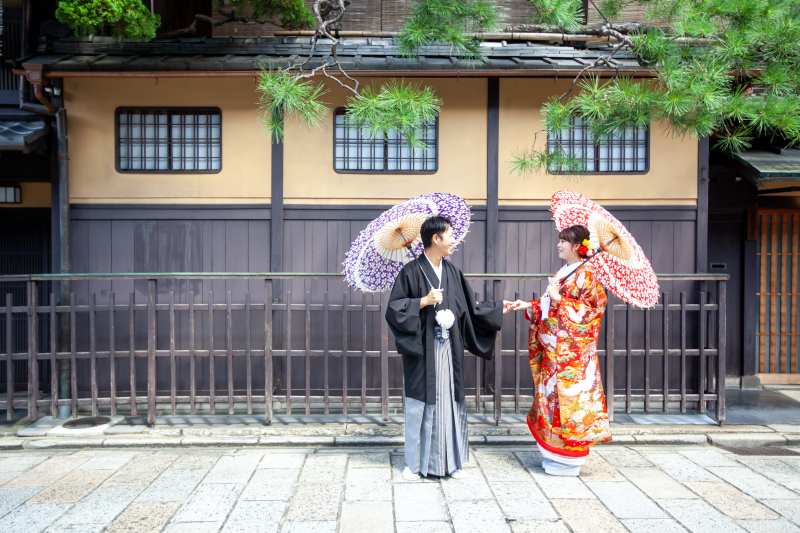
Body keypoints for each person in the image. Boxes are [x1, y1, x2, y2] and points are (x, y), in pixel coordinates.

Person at [386, 216, 513, 480]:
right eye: (450, 235)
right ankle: (415, 464)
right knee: (420, 403)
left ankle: (453, 462)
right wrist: (422, 301)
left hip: (449, 348)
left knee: (451, 400)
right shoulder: (410, 271)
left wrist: (500, 308)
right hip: (423, 350)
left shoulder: (453, 272)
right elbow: (394, 308)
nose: (454, 239)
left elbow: (472, 308)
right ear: (436, 238)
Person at [509, 225, 612, 476]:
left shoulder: (587, 275)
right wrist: (530, 304)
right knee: (550, 402)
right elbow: (549, 305)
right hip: (554, 353)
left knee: (569, 405)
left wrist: (561, 301)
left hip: (572, 360)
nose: (558, 245)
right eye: (559, 240)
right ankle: (554, 455)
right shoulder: (565, 271)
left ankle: (569, 461)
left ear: (578, 247)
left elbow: (593, 311)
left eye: (563, 241)